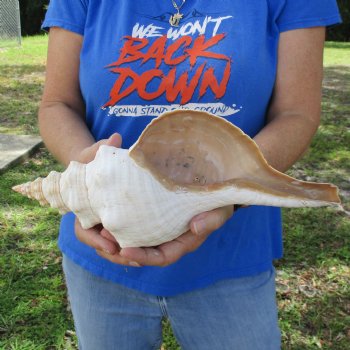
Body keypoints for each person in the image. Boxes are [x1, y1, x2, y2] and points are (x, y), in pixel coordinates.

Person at [39, 1, 341, 349]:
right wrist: (88, 175)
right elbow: (57, 104)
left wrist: (229, 196)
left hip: (232, 254)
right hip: (102, 247)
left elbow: (296, 113)